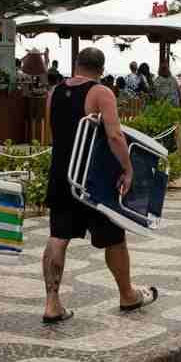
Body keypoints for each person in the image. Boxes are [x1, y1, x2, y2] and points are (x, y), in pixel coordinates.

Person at [40, 47, 158, 323]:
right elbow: (115, 136)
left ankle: (52, 304)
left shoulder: (53, 93)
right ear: (101, 69)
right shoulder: (101, 93)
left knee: (58, 237)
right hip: (92, 179)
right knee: (114, 240)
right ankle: (127, 295)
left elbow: (52, 133)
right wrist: (128, 170)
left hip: (61, 174)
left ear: (76, 64)